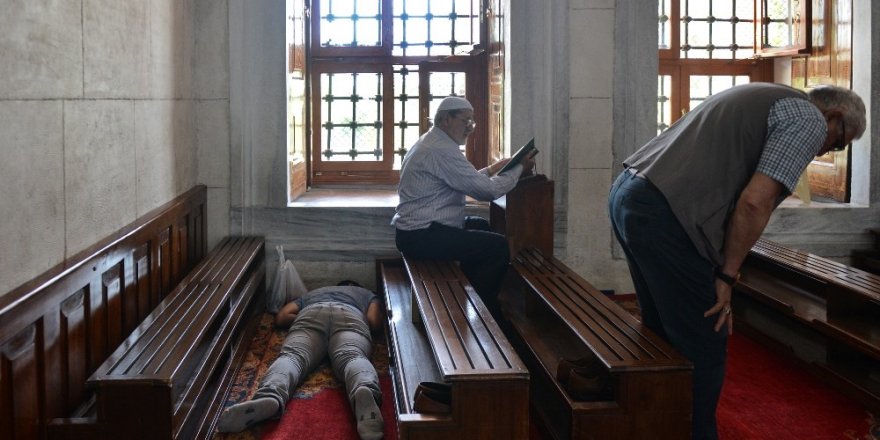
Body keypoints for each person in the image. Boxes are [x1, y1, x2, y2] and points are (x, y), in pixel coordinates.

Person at [607, 83, 866, 440]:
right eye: (838, 143)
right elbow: (753, 203)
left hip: (631, 193)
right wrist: (727, 278)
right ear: (833, 117)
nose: (826, 152)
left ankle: (653, 424)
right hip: (664, 213)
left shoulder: (770, 96)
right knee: (704, 341)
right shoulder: (809, 119)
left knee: (661, 332)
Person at [392, 96, 535, 317]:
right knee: (497, 247)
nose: (469, 128)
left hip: (421, 230)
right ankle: (484, 309)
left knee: (482, 226)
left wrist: (493, 168)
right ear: (446, 119)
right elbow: (486, 191)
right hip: (420, 235)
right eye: (465, 121)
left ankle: (470, 291)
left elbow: (463, 180)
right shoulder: (441, 149)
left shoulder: (434, 141)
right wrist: (518, 170)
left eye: (472, 123)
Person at [217, 281, 386, 440]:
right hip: (350, 315)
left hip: (311, 313)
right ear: (354, 286)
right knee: (352, 356)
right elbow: (374, 321)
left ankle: (270, 395)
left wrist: (304, 322)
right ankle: (364, 390)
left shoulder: (313, 293)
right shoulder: (367, 294)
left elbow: (282, 316)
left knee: (292, 357)